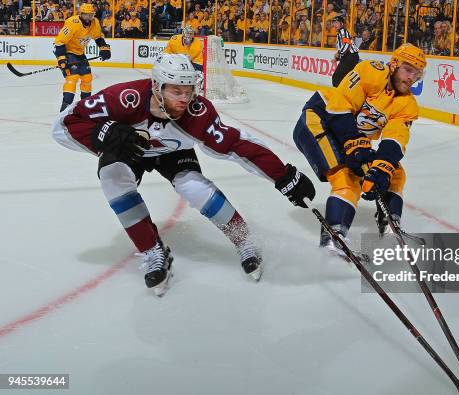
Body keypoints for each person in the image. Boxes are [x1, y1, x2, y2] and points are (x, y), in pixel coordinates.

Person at [50, 54, 315, 296]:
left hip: (172, 153)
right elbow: (64, 125)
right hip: (129, 146)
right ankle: (152, 250)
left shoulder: (197, 113)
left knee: (193, 187)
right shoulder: (123, 98)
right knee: (112, 177)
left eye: (188, 91)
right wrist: (102, 133)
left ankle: (244, 240)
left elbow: (236, 144)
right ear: (157, 86)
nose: (184, 99)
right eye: (176, 91)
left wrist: (282, 176)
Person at [293, 44, 426, 260]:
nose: (412, 77)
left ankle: (390, 226)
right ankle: (333, 237)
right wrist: (356, 145)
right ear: (394, 64)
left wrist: (381, 169)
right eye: (408, 69)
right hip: (319, 120)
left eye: (417, 73)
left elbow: (394, 140)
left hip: (349, 135)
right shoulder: (371, 71)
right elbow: (339, 107)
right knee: (346, 177)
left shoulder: (408, 104)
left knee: (394, 173)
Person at [53, 3, 111, 112]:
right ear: (81, 14)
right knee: (72, 77)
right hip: (67, 51)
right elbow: (59, 42)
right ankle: (65, 107)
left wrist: (104, 48)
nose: (89, 17)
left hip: (79, 53)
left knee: (87, 78)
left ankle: (86, 106)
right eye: (86, 15)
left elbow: (98, 37)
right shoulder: (72, 23)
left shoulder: (95, 23)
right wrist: (61, 58)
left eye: (91, 15)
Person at [331, 15, 360, 87]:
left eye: (337, 22)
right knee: (345, 78)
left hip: (350, 57)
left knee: (336, 78)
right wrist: (337, 58)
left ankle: (338, 95)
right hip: (350, 57)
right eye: (334, 22)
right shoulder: (340, 33)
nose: (335, 24)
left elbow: (347, 44)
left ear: (342, 24)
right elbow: (344, 46)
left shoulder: (342, 31)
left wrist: (339, 53)